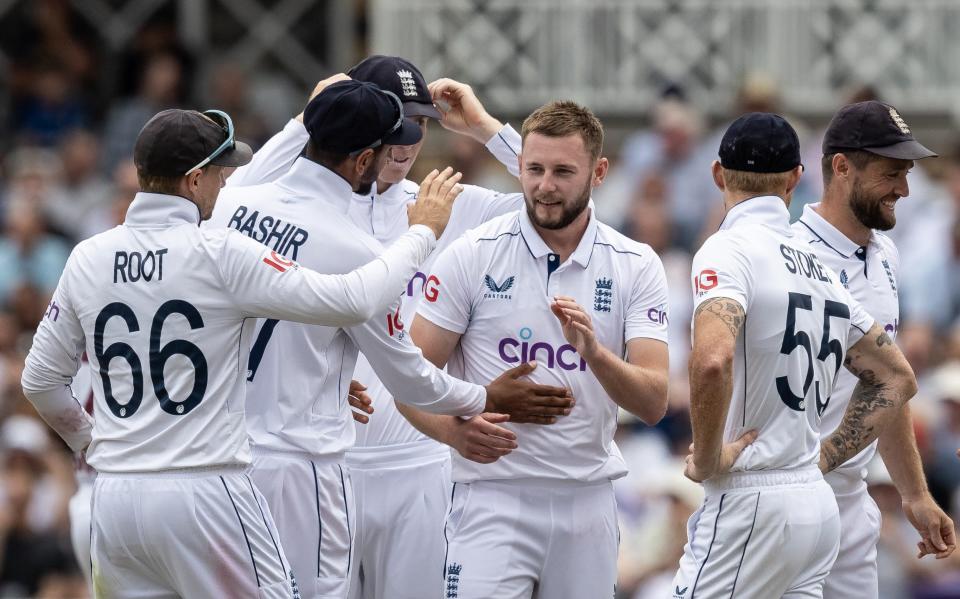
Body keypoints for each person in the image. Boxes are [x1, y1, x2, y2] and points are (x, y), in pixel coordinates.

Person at [19, 105, 466, 598]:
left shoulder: (88, 256)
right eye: (220, 170)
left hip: (116, 502)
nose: (226, 181)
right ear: (193, 181)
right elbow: (353, 298)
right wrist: (423, 232)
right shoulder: (219, 250)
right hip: (206, 491)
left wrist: (91, 443)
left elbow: (39, 382)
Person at [208, 77, 574, 599]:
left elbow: (560, 206)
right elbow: (403, 367)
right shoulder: (353, 235)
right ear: (364, 158)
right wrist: (482, 397)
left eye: (419, 126)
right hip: (312, 463)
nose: (405, 145)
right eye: (394, 133)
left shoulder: (233, 204)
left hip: (380, 462)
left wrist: (486, 129)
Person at [403, 99, 671, 598]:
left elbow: (654, 401)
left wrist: (593, 352)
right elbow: (408, 378)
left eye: (563, 171)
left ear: (600, 172)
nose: (545, 185)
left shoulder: (636, 263)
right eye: (534, 169)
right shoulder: (473, 252)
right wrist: (454, 430)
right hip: (492, 499)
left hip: (587, 500)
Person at [671, 113, 918, 598]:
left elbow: (712, 360)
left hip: (752, 493)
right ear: (795, 178)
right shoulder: (818, 268)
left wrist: (706, 457)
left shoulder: (727, 248)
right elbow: (897, 377)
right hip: (815, 503)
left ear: (718, 174)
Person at [792, 100, 956, 599]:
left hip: (851, 500)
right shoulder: (787, 254)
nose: (904, 190)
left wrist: (914, 493)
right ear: (841, 167)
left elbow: (887, 382)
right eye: (891, 174)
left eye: (906, 174)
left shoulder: (885, 253)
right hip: (785, 499)